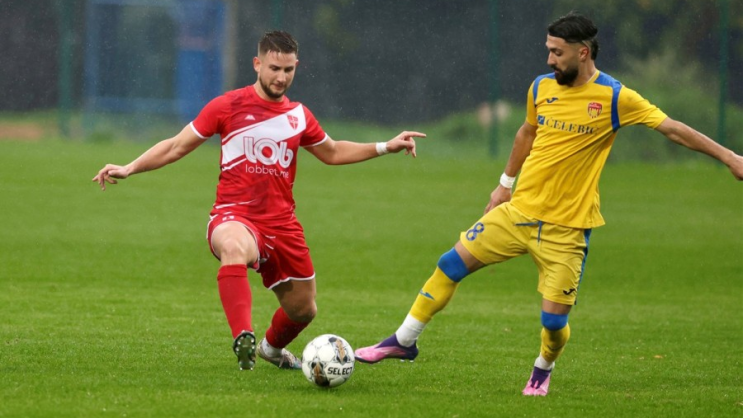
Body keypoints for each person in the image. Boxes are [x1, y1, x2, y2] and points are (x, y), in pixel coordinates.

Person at [354, 12, 743, 396]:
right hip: (519, 212)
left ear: (583, 52)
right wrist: (504, 186)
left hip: (567, 229)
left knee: (553, 324)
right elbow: (527, 132)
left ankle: (543, 368)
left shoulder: (615, 97)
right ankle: (404, 340)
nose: (549, 59)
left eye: (557, 52)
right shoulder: (541, 87)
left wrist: (730, 158)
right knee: (450, 264)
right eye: (548, 50)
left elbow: (673, 129)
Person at [93, 31, 425, 371]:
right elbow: (176, 145)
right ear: (257, 64)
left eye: (288, 70)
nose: (281, 77)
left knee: (303, 310)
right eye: (274, 68)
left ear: (296, 67)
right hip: (234, 216)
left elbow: (334, 151)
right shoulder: (227, 106)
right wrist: (130, 167)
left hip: (282, 224)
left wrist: (385, 146)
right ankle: (244, 338)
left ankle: (270, 348)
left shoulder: (299, 115)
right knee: (234, 247)